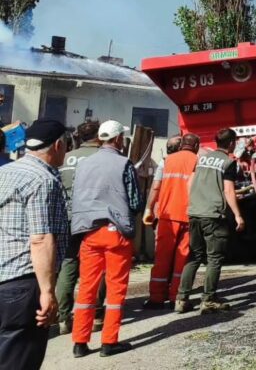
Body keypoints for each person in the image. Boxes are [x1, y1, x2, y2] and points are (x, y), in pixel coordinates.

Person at [0, 119, 69, 370]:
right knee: (18, 359)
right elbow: (40, 238)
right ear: (58, 145)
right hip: (23, 283)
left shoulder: (5, 172)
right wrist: (47, 292)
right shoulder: (42, 180)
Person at [71, 120, 143, 358]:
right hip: (116, 233)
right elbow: (135, 202)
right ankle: (109, 342)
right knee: (115, 289)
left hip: (88, 232)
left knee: (86, 288)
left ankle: (79, 342)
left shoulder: (84, 164)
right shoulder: (124, 163)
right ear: (119, 139)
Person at [175, 128, 245, 314]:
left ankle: (181, 299)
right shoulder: (228, 162)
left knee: (194, 256)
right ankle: (208, 300)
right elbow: (228, 190)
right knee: (214, 258)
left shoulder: (202, 159)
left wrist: (195, 204)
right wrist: (237, 215)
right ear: (232, 143)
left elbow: (189, 184)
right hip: (213, 216)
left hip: (195, 213)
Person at [54, 120, 105, 335]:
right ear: (98, 136)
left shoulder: (65, 158)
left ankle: (63, 317)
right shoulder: (104, 158)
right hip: (94, 218)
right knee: (96, 264)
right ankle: (95, 314)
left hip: (67, 217)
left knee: (68, 264)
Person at [143, 133, 198, 309]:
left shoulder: (166, 161)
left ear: (181, 145)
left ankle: (156, 297)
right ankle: (177, 296)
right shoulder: (197, 161)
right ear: (196, 146)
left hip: (167, 216)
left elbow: (155, 187)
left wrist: (149, 209)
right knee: (182, 258)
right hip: (188, 215)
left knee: (162, 257)